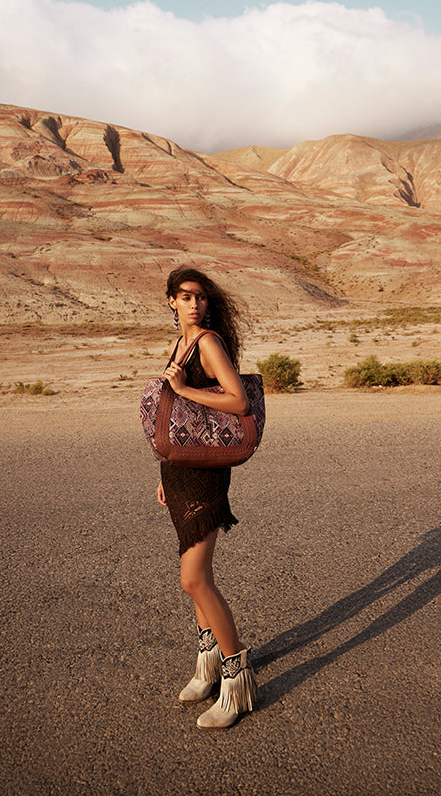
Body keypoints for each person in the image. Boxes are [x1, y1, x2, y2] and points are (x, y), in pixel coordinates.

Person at [157, 266, 258, 729]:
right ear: (171, 301)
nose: (194, 304)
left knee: (193, 579)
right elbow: (175, 415)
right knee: (198, 576)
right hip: (180, 471)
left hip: (206, 474)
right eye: (185, 296)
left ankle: (237, 681)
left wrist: (183, 387)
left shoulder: (208, 344)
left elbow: (238, 401)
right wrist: (165, 470)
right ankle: (208, 667)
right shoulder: (180, 344)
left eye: (200, 297)